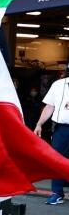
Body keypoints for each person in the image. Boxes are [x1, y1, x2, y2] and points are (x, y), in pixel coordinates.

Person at [34, 68, 69, 205]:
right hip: (61, 128)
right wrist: (39, 124)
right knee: (56, 160)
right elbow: (49, 106)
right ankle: (57, 193)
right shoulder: (58, 85)